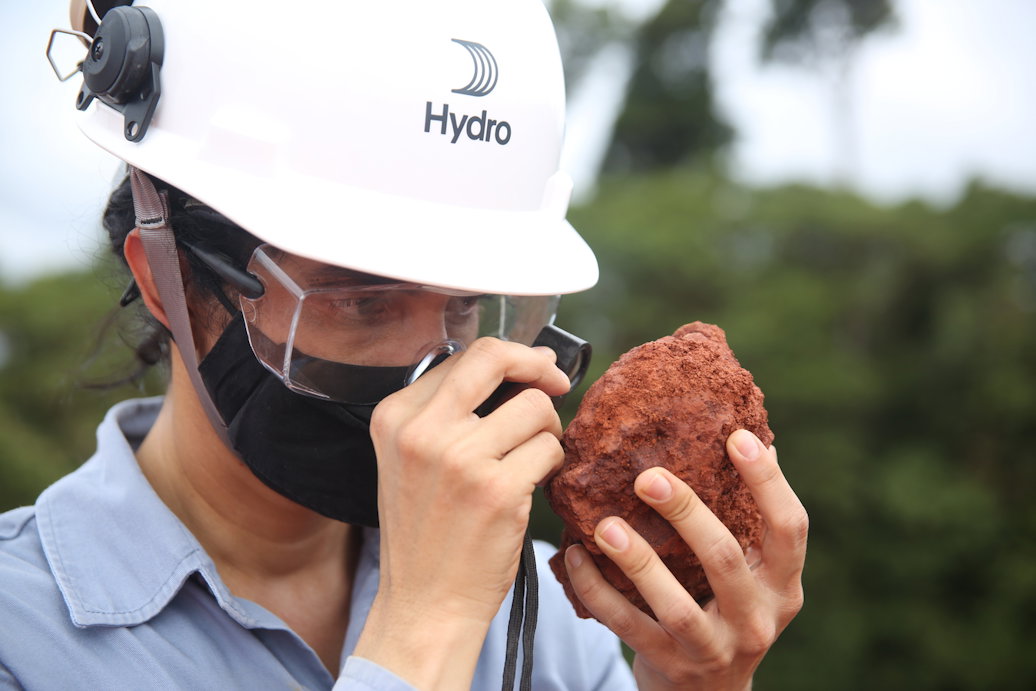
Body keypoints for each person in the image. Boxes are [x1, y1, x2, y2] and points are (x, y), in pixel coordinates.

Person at [1, 0, 807, 689]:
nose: (431, 370)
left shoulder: (551, 624)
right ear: (164, 274)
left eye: (466, 304)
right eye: (360, 301)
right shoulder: (25, 633)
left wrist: (695, 682)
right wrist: (428, 628)